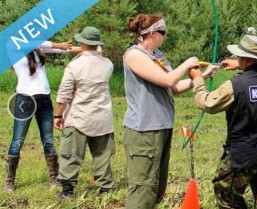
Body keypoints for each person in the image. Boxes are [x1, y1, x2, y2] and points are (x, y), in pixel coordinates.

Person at [123, 13, 214, 208]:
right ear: (153, 33)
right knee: (143, 189)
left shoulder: (158, 57)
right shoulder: (134, 55)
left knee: (156, 187)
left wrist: (202, 76)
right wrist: (187, 63)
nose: (165, 36)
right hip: (144, 131)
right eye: (163, 32)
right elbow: (168, 79)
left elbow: (174, 87)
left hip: (162, 127)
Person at [189, 34, 257, 209]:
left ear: (246, 58)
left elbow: (207, 103)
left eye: (239, 56)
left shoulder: (235, 85)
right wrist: (241, 64)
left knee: (225, 193)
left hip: (243, 156)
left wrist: (197, 78)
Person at [5, 40, 76, 192]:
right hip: (25, 100)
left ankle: (53, 178)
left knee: (48, 140)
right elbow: (37, 43)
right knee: (18, 140)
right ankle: (9, 182)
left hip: (44, 98)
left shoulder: (38, 49)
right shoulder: (12, 46)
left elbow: (63, 50)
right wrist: (58, 44)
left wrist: (88, 49)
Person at [53, 26, 115, 198]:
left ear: (81, 42)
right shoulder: (108, 64)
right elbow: (98, 53)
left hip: (79, 117)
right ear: (97, 43)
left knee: (71, 154)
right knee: (102, 156)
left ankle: (67, 191)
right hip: (103, 117)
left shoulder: (74, 66)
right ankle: (106, 189)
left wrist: (58, 115)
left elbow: (63, 96)